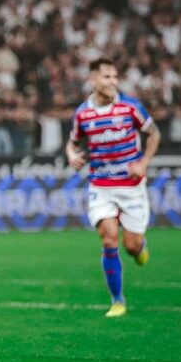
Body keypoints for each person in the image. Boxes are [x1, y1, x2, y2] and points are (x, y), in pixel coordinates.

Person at [66, 57, 160, 318]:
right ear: (93, 79)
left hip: (131, 187)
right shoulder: (83, 113)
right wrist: (71, 155)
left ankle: (139, 249)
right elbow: (73, 142)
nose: (113, 82)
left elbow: (154, 134)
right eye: (107, 77)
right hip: (101, 186)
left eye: (115, 77)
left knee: (131, 246)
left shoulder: (130, 107)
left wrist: (144, 162)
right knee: (108, 238)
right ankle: (117, 300)